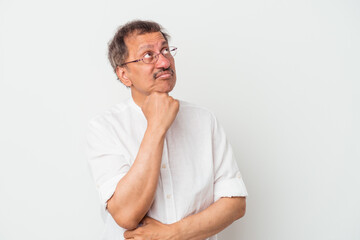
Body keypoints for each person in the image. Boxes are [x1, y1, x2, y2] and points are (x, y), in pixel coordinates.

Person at [86, 20, 248, 240]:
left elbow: (235, 204)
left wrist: (172, 234)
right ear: (124, 75)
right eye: (148, 56)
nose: (163, 62)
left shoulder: (204, 120)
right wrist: (156, 127)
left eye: (165, 50)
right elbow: (126, 215)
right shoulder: (104, 128)